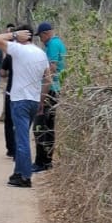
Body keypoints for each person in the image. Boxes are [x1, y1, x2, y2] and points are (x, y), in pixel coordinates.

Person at [0, 24, 50, 188]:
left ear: (24, 36)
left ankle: (25, 177)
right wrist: (41, 100)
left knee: (22, 139)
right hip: (33, 101)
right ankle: (18, 173)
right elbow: (48, 79)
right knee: (21, 136)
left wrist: (14, 35)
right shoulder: (41, 54)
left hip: (20, 100)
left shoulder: (18, 50)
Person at [33, 21, 67, 172]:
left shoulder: (53, 44)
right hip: (55, 89)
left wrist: (42, 96)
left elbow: (52, 68)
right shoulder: (58, 43)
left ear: (45, 33)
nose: (41, 40)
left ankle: (42, 162)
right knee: (48, 127)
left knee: (41, 127)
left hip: (50, 90)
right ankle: (46, 161)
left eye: (40, 36)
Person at [0, 23, 15, 157]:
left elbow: (2, 73)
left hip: (11, 92)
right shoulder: (32, 53)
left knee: (9, 122)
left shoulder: (10, 55)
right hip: (26, 94)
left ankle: (11, 149)